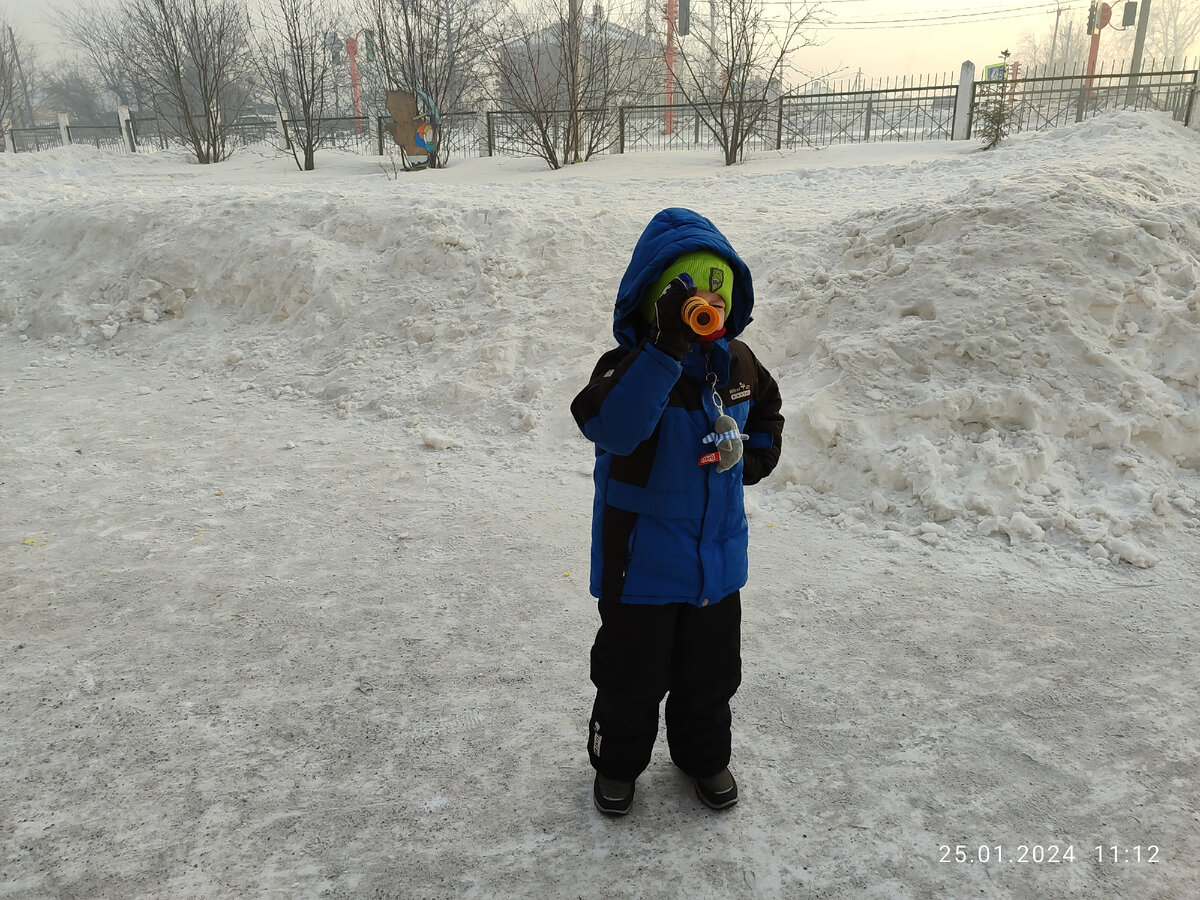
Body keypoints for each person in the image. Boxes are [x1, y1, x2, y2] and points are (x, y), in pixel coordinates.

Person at [570, 208, 784, 815]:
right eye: (688, 297)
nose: (705, 308)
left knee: (710, 678)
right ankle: (617, 765)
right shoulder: (625, 368)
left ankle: (703, 757)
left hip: (718, 567)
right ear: (653, 300)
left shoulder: (739, 365)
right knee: (629, 680)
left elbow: (767, 414)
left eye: (717, 296)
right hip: (641, 569)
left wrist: (750, 460)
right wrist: (664, 348)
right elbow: (612, 427)